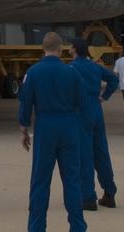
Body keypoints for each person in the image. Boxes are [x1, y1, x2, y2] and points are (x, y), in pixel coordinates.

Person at [18, 32, 87, 232]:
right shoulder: (72, 72)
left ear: (43, 48)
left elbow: (25, 103)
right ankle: (77, 226)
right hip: (68, 125)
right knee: (72, 180)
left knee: (40, 181)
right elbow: (83, 103)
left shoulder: (33, 72)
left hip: (45, 126)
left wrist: (23, 128)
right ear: (61, 49)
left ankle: (36, 227)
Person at [68, 39, 118, 210]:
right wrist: (104, 96)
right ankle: (109, 192)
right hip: (96, 110)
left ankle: (88, 197)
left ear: (74, 49)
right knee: (101, 150)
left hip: (80, 111)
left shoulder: (72, 68)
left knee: (84, 154)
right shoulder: (95, 66)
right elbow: (113, 79)